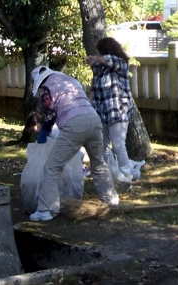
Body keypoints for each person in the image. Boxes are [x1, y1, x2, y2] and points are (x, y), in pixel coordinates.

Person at [29, 66, 119, 221]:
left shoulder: (46, 89)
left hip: (74, 124)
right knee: (98, 163)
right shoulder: (69, 81)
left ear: (39, 80)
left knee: (52, 167)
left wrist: (44, 132)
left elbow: (50, 114)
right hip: (93, 120)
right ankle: (111, 200)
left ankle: (46, 209)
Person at [85, 37, 135, 190]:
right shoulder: (100, 69)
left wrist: (96, 58)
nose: (97, 54)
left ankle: (127, 178)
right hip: (102, 112)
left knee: (118, 145)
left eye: (99, 51)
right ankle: (110, 177)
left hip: (118, 111)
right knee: (103, 147)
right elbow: (95, 90)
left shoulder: (120, 63)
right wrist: (89, 105)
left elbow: (109, 59)